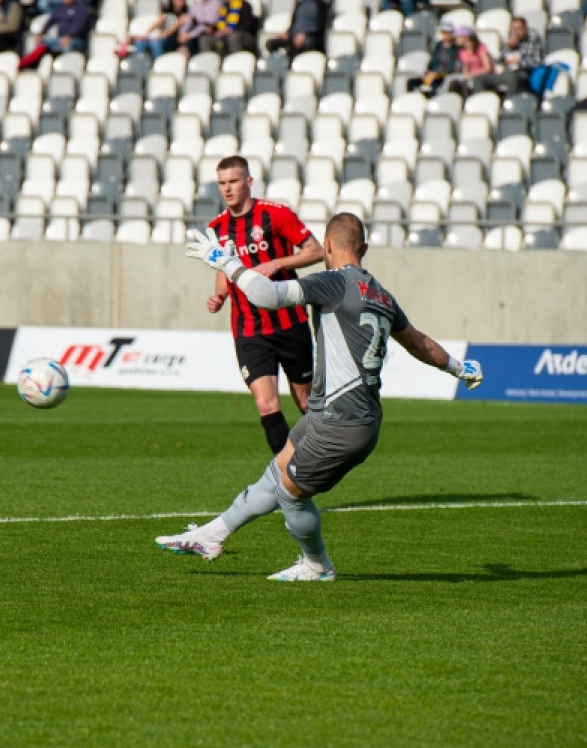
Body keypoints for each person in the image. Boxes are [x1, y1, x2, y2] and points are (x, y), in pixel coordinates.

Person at [155, 214, 484, 581]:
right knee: (278, 469)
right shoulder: (382, 295)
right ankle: (211, 535)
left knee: (290, 493)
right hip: (337, 415)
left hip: (341, 423)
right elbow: (419, 343)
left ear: (327, 247)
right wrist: (459, 367)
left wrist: (225, 263)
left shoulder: (334, 283)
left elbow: (270, 295)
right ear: (365, 249)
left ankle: (317, 565)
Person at [207, 155, 325, 456]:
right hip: (249, 330)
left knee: (304, 401)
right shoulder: (217, 228)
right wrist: (220, 295)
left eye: (233, 181)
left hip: (290, 322)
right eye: (222, 183)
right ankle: (289, 474)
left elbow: (316, 251)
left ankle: (323, 456)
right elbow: (225, 272)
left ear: (248, 181)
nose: (227, 189)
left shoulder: (276, 215)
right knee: (265, 403)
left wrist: (277, 263)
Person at [471, 16, 543, 97]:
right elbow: (499, 60)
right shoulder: (511, 41)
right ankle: (483, 103)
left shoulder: (532, 41)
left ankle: (507, 104)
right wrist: (508, 47)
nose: (517, 32)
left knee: (511, 78)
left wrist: (520, 62)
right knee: (478, 79)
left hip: (522, 73)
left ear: (525, 28)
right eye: (515, 29)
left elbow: (537, 62)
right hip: (506, 72)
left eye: (520, 29)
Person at [18, 0, 90, 69]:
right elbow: (51, 21)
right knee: (44, 42)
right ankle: (30, 64)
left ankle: (65, 67)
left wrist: (69, 35)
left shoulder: (80, 8)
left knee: (68, 45)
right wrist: (41, 33)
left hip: (77, 39)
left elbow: (79, 25)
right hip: (60, 38)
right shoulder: (61, 7)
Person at [116, 0, 187, 60]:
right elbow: (158, 23)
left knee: (156, 44)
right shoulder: (167, 10)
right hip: (161, 36)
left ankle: (157, 63)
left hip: (172, 38)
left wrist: (160, 36)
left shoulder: (184, 13)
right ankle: (140, 61)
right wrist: (146, 34)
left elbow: (173, 28)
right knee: (140, 43)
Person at [407, 20, 458, 97]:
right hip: (433, 74)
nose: (446, 35)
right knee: (411, 82)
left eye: (448, 32)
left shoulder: (456, 49)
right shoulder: (438, 46)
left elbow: (452, 66)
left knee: (435, 84)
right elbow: (432, 62)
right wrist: (427, 73)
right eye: (444, 32)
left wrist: (437, 73)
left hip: (444, 76)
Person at [447, 26, 493, 98]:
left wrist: (473, 74)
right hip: (470, 77)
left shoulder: (481, 48)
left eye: (458, 37)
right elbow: (466, 70)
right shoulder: (462, 52)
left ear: (465, 37)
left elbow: (487, 68)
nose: (455, 40)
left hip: (482, 76)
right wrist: (467, 75)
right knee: (451, 79)